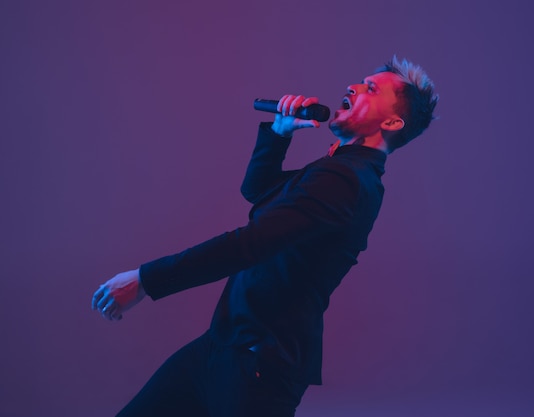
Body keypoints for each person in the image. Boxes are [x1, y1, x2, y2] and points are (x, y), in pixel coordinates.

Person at [92, 56, 438, 417]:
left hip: (259, 369)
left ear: (392, 121)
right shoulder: (339, 170)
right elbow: (258, 192)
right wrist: (279, 132)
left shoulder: (346, 181)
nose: (353, 87)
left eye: (371, 89)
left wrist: (146, 280)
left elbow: (249, 245)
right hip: (225, 345)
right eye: (360, 81)